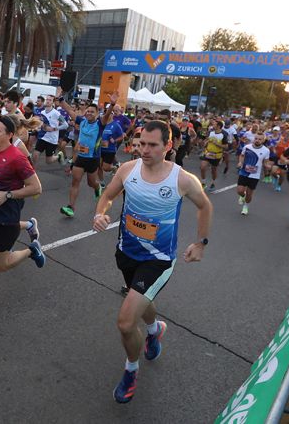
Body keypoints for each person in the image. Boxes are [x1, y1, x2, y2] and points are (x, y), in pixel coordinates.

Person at [93, 120, 213, 403]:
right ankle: (154, 329)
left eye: (152, 145)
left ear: (168, 146)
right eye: (141, 143)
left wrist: (201, 243)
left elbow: (205, 206)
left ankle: (131, 369)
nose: (144, 150)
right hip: (126, 252)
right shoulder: (127, 169)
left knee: (125, 323)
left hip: (158, 260)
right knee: (141, 299)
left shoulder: (182, 179)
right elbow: (107, 196)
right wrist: (99, 213)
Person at [0, 116, 44, 310]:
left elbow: (36, 188)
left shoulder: (17, 157)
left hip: (6, 217)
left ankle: (31, 250)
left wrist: (8, 195)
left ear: (10, 135)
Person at [56, 88, 117, 217]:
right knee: (75, 182)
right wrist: (60, 98)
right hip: (81, 157)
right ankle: (71, 207)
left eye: (92, 111)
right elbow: (69, 110)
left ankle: (97, 187)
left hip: (93, 159)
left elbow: (106, 115)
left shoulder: (100, 123)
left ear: (97, 113)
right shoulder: (81, 121)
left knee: (91, 183)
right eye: (88, 111)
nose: (89, 113)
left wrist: (112, 105)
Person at [236, 132, 270, 216]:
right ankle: (242, 196)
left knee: (249, 193)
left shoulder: (266, 150)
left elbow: (265, 163)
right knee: (240, 190)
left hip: (255, 175)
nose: (257, 140)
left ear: (263, 140)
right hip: (244, 172)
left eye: (260, 139)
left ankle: (246, 206)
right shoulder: (247, 147)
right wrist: (240, 162)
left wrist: (268, 167)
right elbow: (242, 155)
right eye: (256, 138)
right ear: (254, 139)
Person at [31, 94, 68, 169]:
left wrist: (54, 128)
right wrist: (38, 127)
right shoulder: (42, 112)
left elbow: (65, 125)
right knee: (35, 155)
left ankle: (59, 155)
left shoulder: (56, 113)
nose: (47, 101)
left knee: (49, 161)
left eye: (50, 100)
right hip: (42, 137)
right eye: (47, 99)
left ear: (53, 102)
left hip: (52, 140)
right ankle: (32, 172)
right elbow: (41, 123)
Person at [199, 120, 228, 191]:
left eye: (214, 124)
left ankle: (213, 183)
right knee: (202, 167)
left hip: (216, 155)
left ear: (218, 126)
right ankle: (203, 183)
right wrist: (205, 142)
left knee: (213, 170)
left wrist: (217, 144)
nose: (212, 126)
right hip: (208, 153)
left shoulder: (224, 134)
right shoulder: (210, 132)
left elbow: (226, 146)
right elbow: (206, 140)